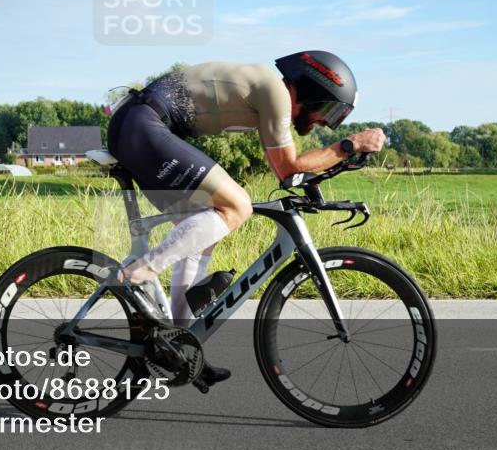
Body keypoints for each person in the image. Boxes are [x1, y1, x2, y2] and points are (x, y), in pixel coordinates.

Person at [105, 51, 386, 386]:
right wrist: (349, 144)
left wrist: (338, 160)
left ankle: (182, 346)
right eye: (326, 110)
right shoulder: (275, 91)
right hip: (143, 123)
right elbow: (288, 167)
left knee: (200, 229)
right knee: (238, 206)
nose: (324, 122)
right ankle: (139, 273)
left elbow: (289, 173)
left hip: (141, 126)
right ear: (310, 90)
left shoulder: (268, 96)